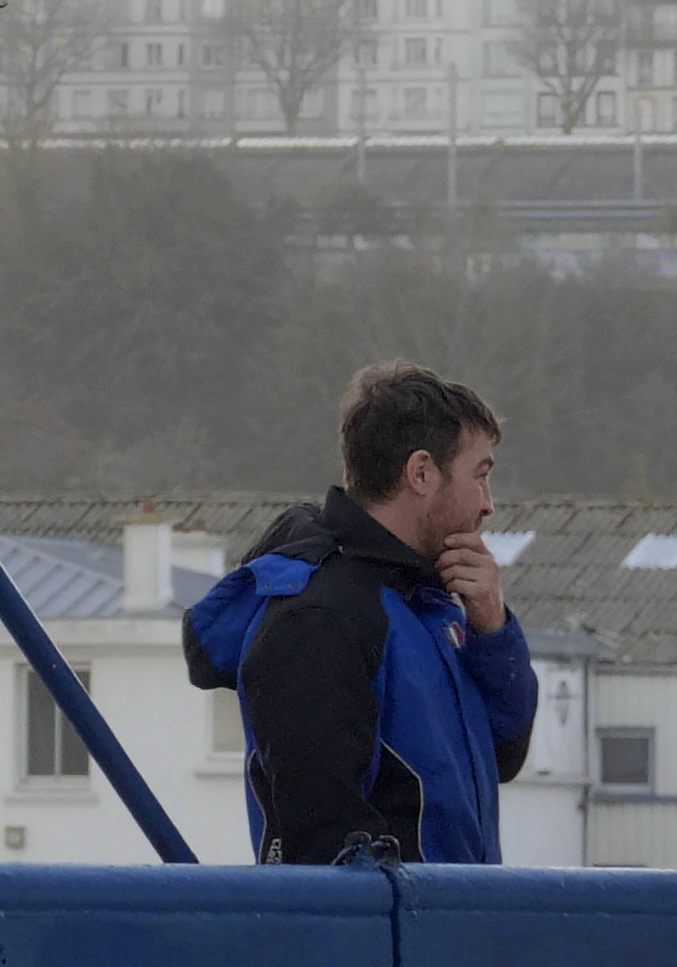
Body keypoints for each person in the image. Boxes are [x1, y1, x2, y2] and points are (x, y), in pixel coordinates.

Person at [184, 364, 534, 865]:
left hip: (449, 927)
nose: (488, 506)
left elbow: (503, 756)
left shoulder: (429, 602)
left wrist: (492, 629)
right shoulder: (320, 618)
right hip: (396, 936)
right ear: (420, 473)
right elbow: (322, 840)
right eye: (479, 477)